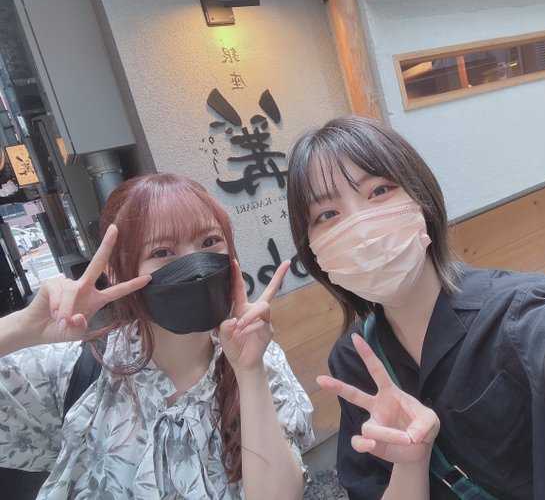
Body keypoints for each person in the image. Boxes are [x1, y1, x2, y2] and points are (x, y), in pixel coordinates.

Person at [286, 115, 545, 500]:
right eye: (327, 215)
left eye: (379, 191)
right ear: (313, 250)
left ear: (421, 200)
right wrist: (410, 463)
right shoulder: (353, 361)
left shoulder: (521, 313)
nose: (361, 226)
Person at [0, 173, 314, 499]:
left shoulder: (262, 359)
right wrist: (23, 328)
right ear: (116, 273)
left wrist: (249, 371)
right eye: (162, 251)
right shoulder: (76, 369)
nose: (194, 265)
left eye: (209, 242)